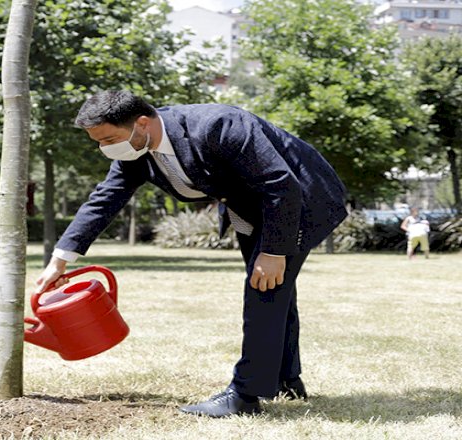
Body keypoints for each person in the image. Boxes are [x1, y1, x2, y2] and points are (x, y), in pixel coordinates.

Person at [35, 91, 348, 417]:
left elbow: (280, 183)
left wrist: (272, 251)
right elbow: (105, 199)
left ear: (141, 123)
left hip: (299, 201)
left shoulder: (217, 125)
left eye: (110, 139)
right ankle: (286, 380)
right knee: (275, 291)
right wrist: (60, 260)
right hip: (253, 211)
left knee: (263, 290)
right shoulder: (137, 151)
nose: (106, 149)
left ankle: (245, 395)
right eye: (98, 142)